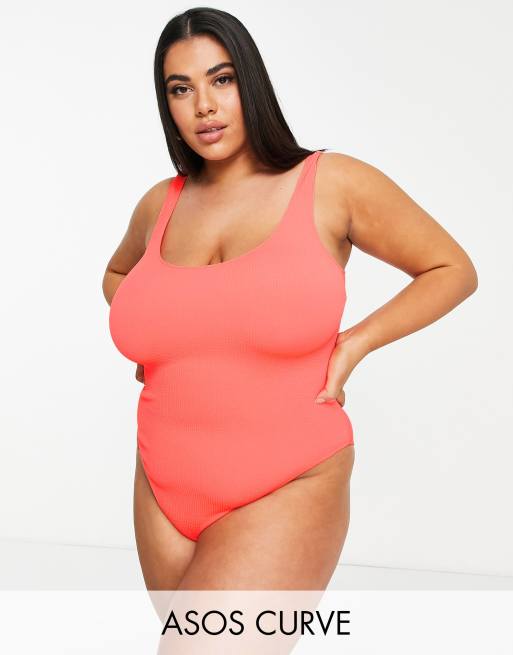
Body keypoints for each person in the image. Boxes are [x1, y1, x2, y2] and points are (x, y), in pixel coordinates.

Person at [102, 7, 478, 595]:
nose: (204, 105)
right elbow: (118, 274)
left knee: (193, 640)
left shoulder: (331, 182)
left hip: (289, 480)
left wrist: (355, 344)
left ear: (251, 82)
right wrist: (163, 337)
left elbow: (451, 269)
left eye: (222, 79)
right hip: (161, 483)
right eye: (181, 88)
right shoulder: (160, 204)